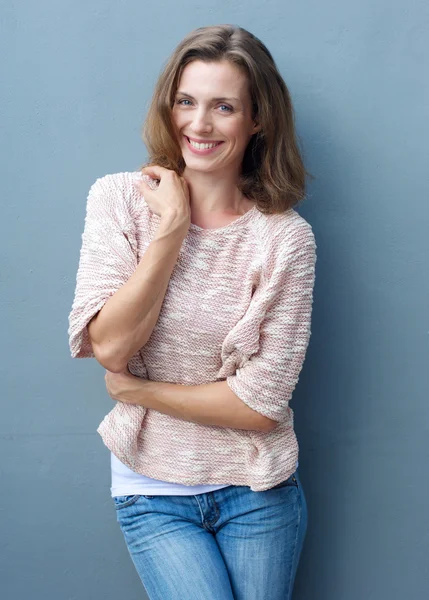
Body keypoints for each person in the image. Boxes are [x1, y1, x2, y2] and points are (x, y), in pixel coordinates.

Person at [68, 24, 316, 600]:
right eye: (187, 101)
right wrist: (172, 229)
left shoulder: (285, 240)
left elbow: (259, 406)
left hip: (259, 489)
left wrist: (138, 393)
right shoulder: (118, 201)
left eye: (223, 107)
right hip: (151, 490)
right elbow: (112, 347)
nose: (199, 125)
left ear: (256, 120)